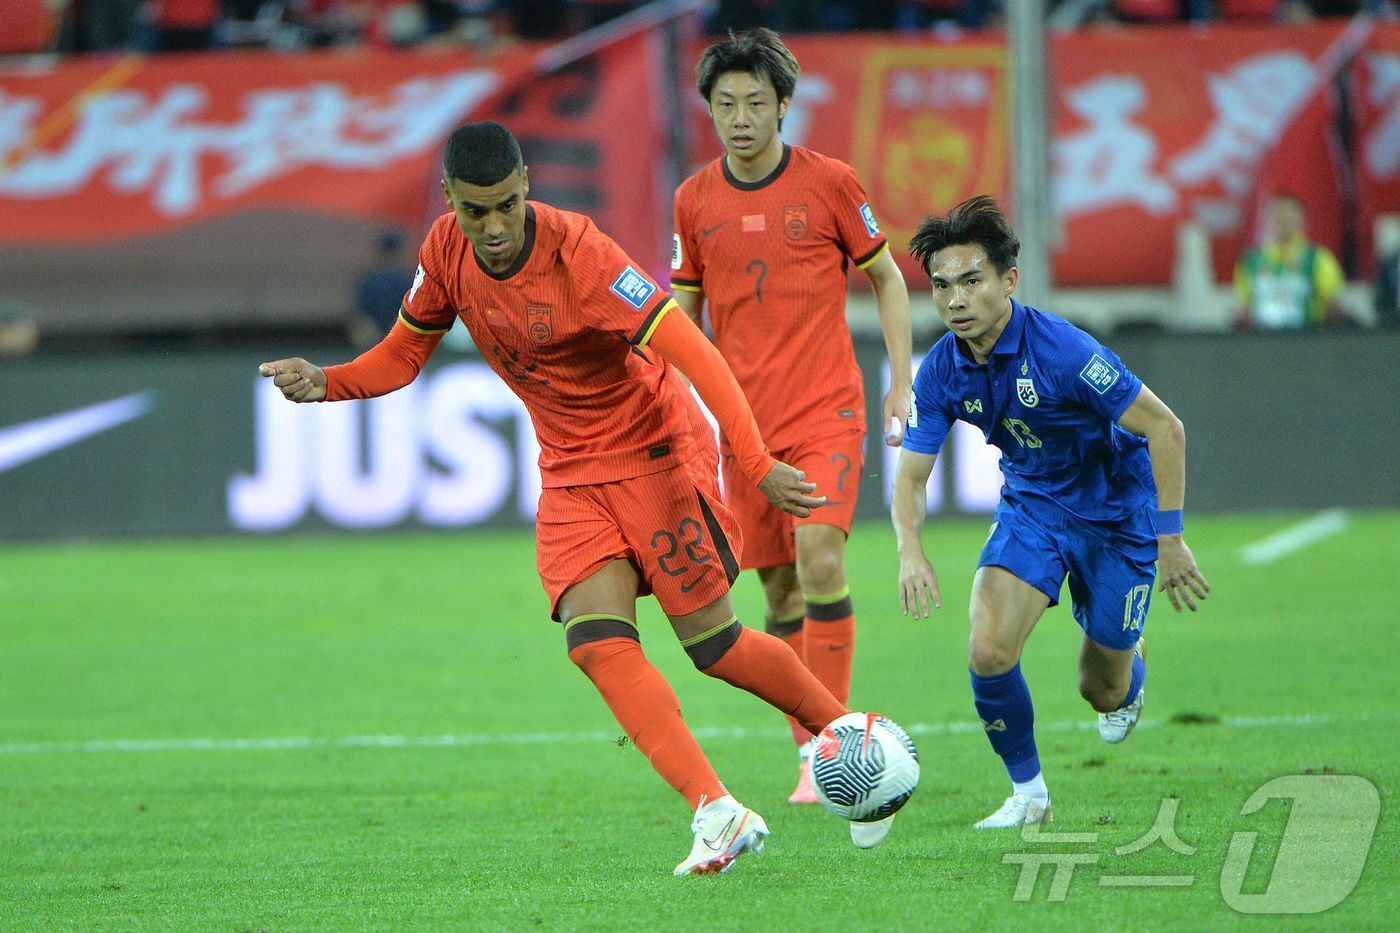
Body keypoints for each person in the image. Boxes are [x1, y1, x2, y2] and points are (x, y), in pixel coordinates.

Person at [259, 121, 858, 876]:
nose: (496, 226)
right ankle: (716, 808)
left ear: (526, 185)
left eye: (508, 204)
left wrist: (755, 459)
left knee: (715, 647)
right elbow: (404, 353)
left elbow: (694, 352)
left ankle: (846, 729)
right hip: (573, 474)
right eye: (478, 212)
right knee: (594, 639)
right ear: (451, 201)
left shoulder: (582, 253)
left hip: (656, 454)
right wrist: (329, 381)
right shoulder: (444, 252)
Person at [891, 195, 1209, 829]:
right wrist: (909, 549)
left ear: (1009, 281)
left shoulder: (1064, 351)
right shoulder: (941, 372)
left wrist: (1170, 539)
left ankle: (1129, 662)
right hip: (1033, 507)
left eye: (971, 281)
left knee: (1103, 689)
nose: (955, 299)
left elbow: (1166, 429)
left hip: (1118, 515)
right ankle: (1028, 795)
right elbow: (912, 475)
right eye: (942, 285)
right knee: (988, 647)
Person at [670, 27, 913, 838]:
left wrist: (902, 377)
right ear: (710, 110)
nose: (740, 118)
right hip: (747, 429)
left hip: (827, 411)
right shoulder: (693, 200)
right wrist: (677, 408)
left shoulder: (832, 184)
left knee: (821, 557)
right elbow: (686, 315)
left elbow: (884, 274)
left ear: (782, 106)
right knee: (776, 593)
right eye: (725, 104)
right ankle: (812, 749)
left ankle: (838, 743)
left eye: (755, 103)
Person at [1233, 193, 1346, 330]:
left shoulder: (1318, 259)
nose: (1282, 221)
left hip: (1306, 341)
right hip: (1263, 343)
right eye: (1277, 216)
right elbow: (1246, 308)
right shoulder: (1250, 262)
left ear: (1302, 221)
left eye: (1288, 216)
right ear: (1265, 220)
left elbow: (1331, 306)